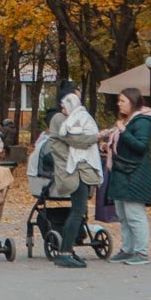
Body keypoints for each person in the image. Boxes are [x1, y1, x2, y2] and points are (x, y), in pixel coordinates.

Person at [48, 92, 103, 269]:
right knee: (78, 211)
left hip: (77, 171)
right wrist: (97, 137)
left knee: (78, 211)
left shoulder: (69, 119)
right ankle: (64, 253)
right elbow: (76, 141)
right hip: (73, 171)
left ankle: (67, 251)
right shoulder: (59, 119)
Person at [101, 87, 151, 265]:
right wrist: (107, 146)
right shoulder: (127, 120)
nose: (119, 104)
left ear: (132, 102)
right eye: (118, 100)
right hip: (121, 172)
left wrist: (123, 131)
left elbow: (141, 147)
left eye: (122, 101)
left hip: (135, 174)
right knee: (122, 215)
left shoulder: (142, 121)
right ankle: (127, 249)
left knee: (135, 214)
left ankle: (141, 252)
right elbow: (122, 145)